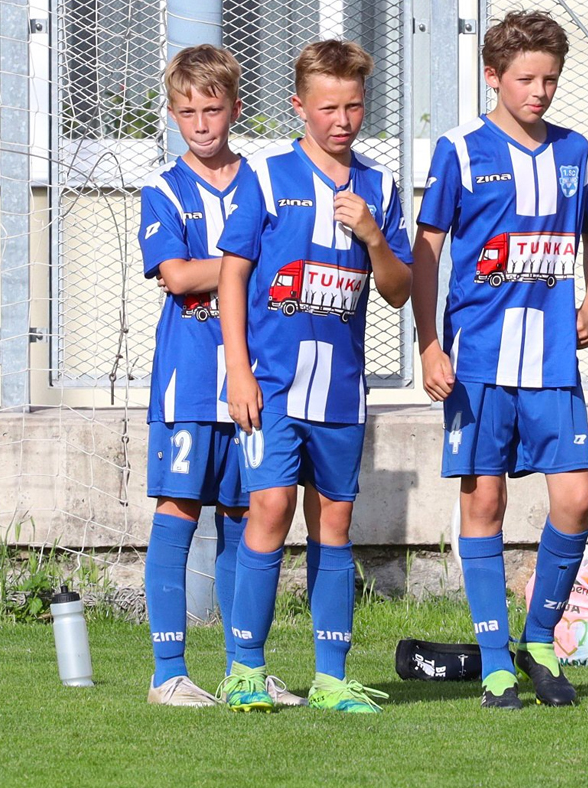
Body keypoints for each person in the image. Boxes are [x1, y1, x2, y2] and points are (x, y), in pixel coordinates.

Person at [412, 10, 588, 709]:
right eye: (526, 78)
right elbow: (428, 248)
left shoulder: (575, 151)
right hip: (479, 360)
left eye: (551, 78)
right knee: (486, 500)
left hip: (554, 359)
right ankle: (496, 659)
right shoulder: (461, 150)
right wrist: (429, 343)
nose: (540, 91)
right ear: (494, 76)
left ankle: (538, 639)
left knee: (577, 498)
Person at [214, 39, 413, 714]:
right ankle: (245, 670)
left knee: (334, 524)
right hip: (270, 386)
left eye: (354, 105)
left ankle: (331, 677)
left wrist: (375, 238)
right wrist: (238, 371)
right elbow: (233, 275)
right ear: (300, 106)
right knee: (268, 509)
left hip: (341, 393)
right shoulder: (268, 178)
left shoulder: (380, 188)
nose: (342, 119)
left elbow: (397, 290)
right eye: (328, 106)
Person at [137, 44, 302, 708]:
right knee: (177, 511)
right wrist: (246, 265)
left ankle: (243, 671)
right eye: (188, 111)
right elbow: (177, 276)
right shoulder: (163, 187)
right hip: (189, 381)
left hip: (252, 380)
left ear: (235, 108)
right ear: (174, 114)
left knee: (244, 514)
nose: (202, 123)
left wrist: (239, 265)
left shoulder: (262, 183)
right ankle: (168, 671)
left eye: (213, 108)